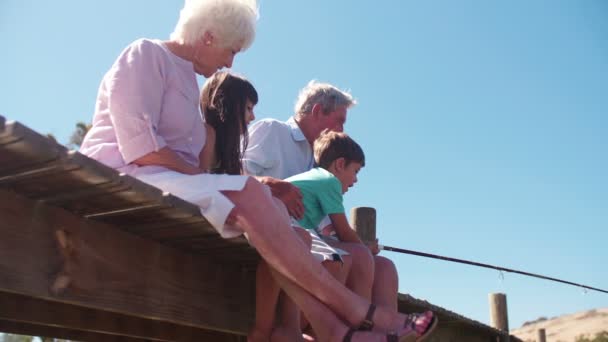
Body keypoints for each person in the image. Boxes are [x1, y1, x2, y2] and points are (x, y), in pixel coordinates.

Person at [79, 0, 436, 341]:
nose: (230, 62)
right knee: (253, 191)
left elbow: (190, 161)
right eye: (231, 49)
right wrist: (216, 178)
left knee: (270, 207)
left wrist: (215, 176)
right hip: (122, 172)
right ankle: (356, 313)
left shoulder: (189, 81)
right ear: (208, 35)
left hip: (165, 179)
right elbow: (141, 149)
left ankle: (333, 328)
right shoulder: (145, 54)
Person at [243, 81, 400, 311]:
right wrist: (271, 185)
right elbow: (232, 173)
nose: (342, 130)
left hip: (311, 239)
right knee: (348, 257)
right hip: (273, 232)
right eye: (340, 121)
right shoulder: (272, 130)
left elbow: (327, 226)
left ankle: (382, 331)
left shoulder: (321, 161)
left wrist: (363, 246)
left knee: (384, 267)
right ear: (317, 111)